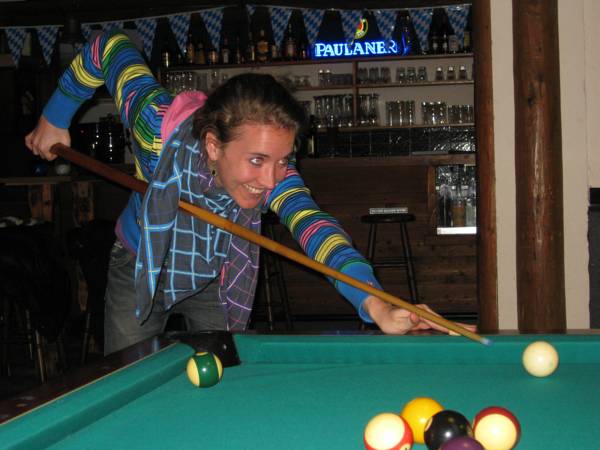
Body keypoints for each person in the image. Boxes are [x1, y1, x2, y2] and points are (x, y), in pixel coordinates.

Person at [25, 30, 472, 355]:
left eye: (282, 160)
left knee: (226, 373)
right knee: (127, 379)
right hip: (142, 262)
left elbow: (316, 229)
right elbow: (109, 47)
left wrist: (375, 304)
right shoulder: (154, 128)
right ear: (213, 145)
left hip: (216, 269)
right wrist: (54, 117)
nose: (271, 179)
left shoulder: (277, 175)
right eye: (257, 160)